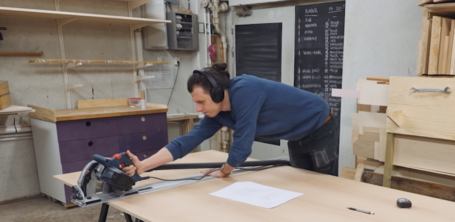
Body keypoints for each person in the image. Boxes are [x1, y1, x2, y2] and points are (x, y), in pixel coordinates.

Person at [122, 63, 339, 178]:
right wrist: (144, 165)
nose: (198, 109)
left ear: (217, 94)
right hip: (297, 135)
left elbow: (243, 143)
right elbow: (186, 142)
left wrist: (224, 170)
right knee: (303, 183)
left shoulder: (245, 91)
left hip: (319, 127)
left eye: (201, 102)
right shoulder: (217, 113)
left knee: (323, 186)